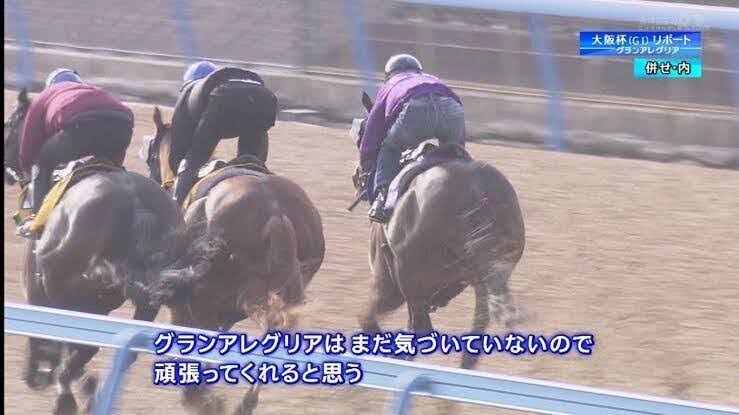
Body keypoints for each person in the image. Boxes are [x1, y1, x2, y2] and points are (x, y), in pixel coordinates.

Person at [16, 68, 135, 239]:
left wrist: (28, 169)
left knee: (42, 161)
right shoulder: (91, 90)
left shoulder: (45, 96)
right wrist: (114, 164)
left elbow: (29, 146)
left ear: (50, 85)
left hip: (81, 126)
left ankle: (38, 221)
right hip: (123, 127)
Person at [359, 54, 466, 223]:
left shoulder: (390, 84)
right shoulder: (431, 78)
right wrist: (459, 151)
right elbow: (456, 102)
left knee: (390, 148)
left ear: (389, 75)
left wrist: (367, 158)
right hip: (451, 108)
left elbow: (373, 129)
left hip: (416, 109)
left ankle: (382, 199)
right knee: (455, 155)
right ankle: (471, 197)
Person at [168, 60, 279, 205]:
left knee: (194, 158)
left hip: (226, 100)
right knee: (251, 162)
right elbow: (260, 145)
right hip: (265, 99)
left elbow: (178, 146)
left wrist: (182, 168)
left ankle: (177, 208)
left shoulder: (190, 91)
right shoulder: (225, 81)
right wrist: (258, 160)